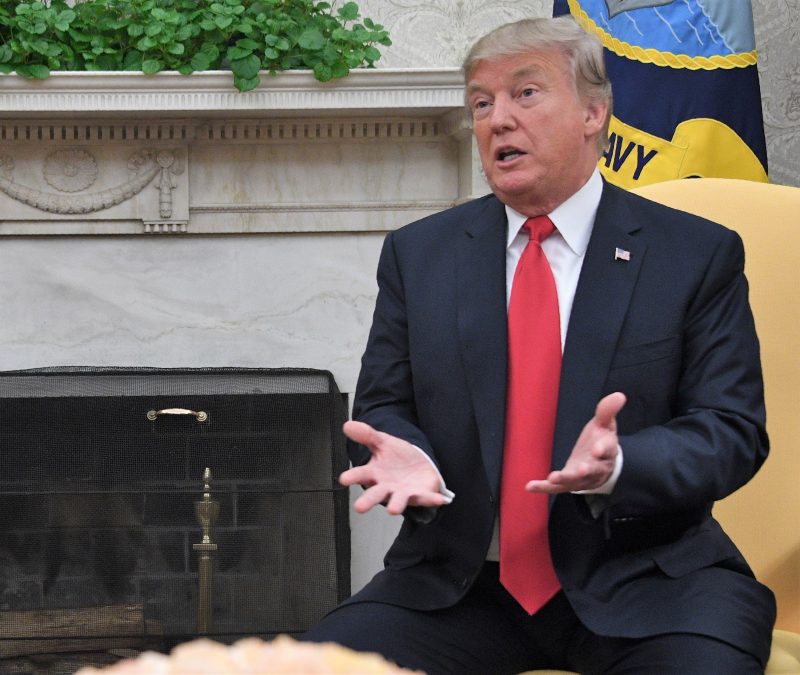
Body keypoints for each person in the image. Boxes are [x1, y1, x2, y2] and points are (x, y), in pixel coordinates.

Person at [302, 16, 775, 673]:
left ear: (594, 113)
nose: (498, 119)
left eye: (526, 93)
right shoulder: (420, 255)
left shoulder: (694, 255)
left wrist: (620, 464)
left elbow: (731, 431)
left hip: (652, 583)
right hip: (461, 588)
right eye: (481, 101)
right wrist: (412, 455)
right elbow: (382, 411)